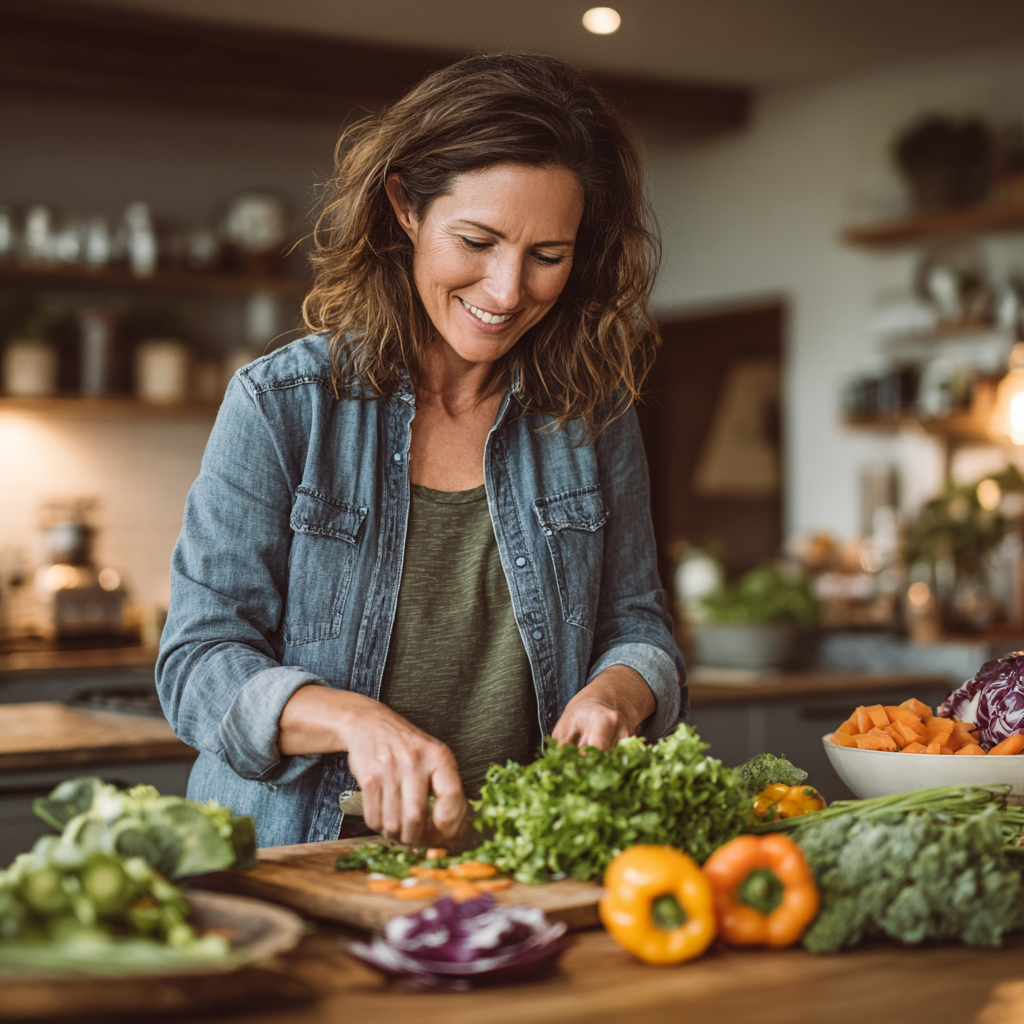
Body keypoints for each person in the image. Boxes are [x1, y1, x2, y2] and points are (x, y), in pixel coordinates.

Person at [157, 52, 686, 850]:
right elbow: (197, 664)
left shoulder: (591, 414)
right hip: (298, 856)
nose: (508, 291)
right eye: (476, 240)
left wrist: (619, 693)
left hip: (518, 862)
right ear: (406, 207)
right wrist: (349, 719)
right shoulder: (283, 405)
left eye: (548, 255)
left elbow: (637, 624)